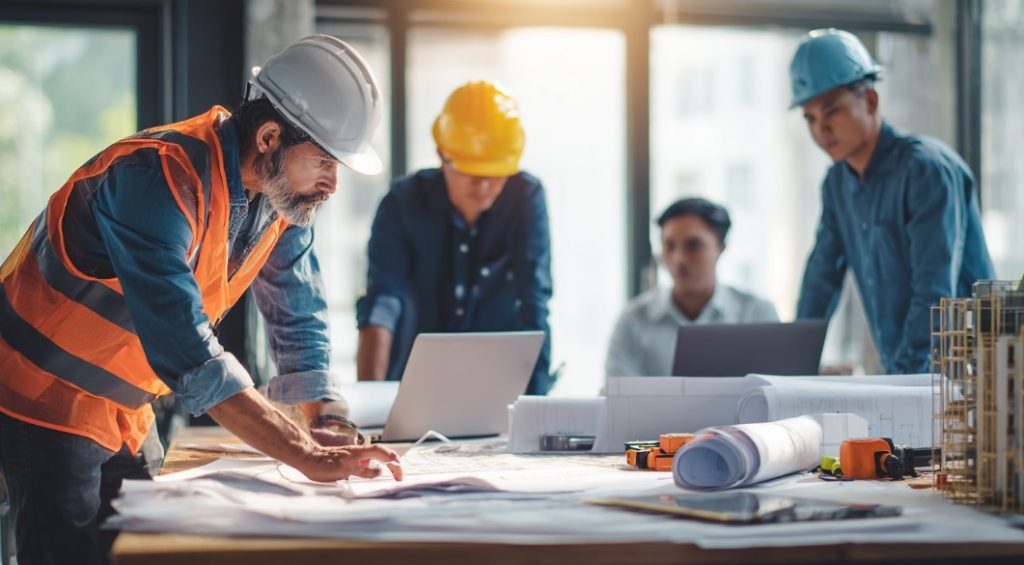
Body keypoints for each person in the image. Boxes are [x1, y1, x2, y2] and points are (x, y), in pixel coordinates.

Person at [0, 35, 402, 565]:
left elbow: (298, 311)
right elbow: (188, 354)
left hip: (122, 406)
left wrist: (327, 418)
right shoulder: (156, 178)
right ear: (269, 136)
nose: (332, 185)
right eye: (326, 162)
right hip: (41, 395)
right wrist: (304, 453)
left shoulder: (285, 200)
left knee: (147, 547)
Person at [790, 28, 995, 374]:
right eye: (810, 118)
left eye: (832, 111)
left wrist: (896, 387)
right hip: (906, 379)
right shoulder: (838, 183)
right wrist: (790, 365)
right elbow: (821, 279)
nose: (820, 130)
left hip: (970, 384)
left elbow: (934, 295)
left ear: (870, 101)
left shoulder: (926, 170)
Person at [356, 81, 553, 395]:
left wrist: (538, 406)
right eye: (471, 172)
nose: (484, 186)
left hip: (499, 386)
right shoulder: (403, 203)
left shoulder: (525, 198)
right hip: (412, 385)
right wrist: (367, 404)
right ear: (441, 155)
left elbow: (533, 300)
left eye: (495, 173)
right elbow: (383, 302)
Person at [606, 198, 778, 377]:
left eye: (693, 246)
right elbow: (617, 397)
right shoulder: (633, 320)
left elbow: (774, 394)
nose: (679, 259)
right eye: (669, 246)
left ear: (720, 248)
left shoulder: (757, 314)